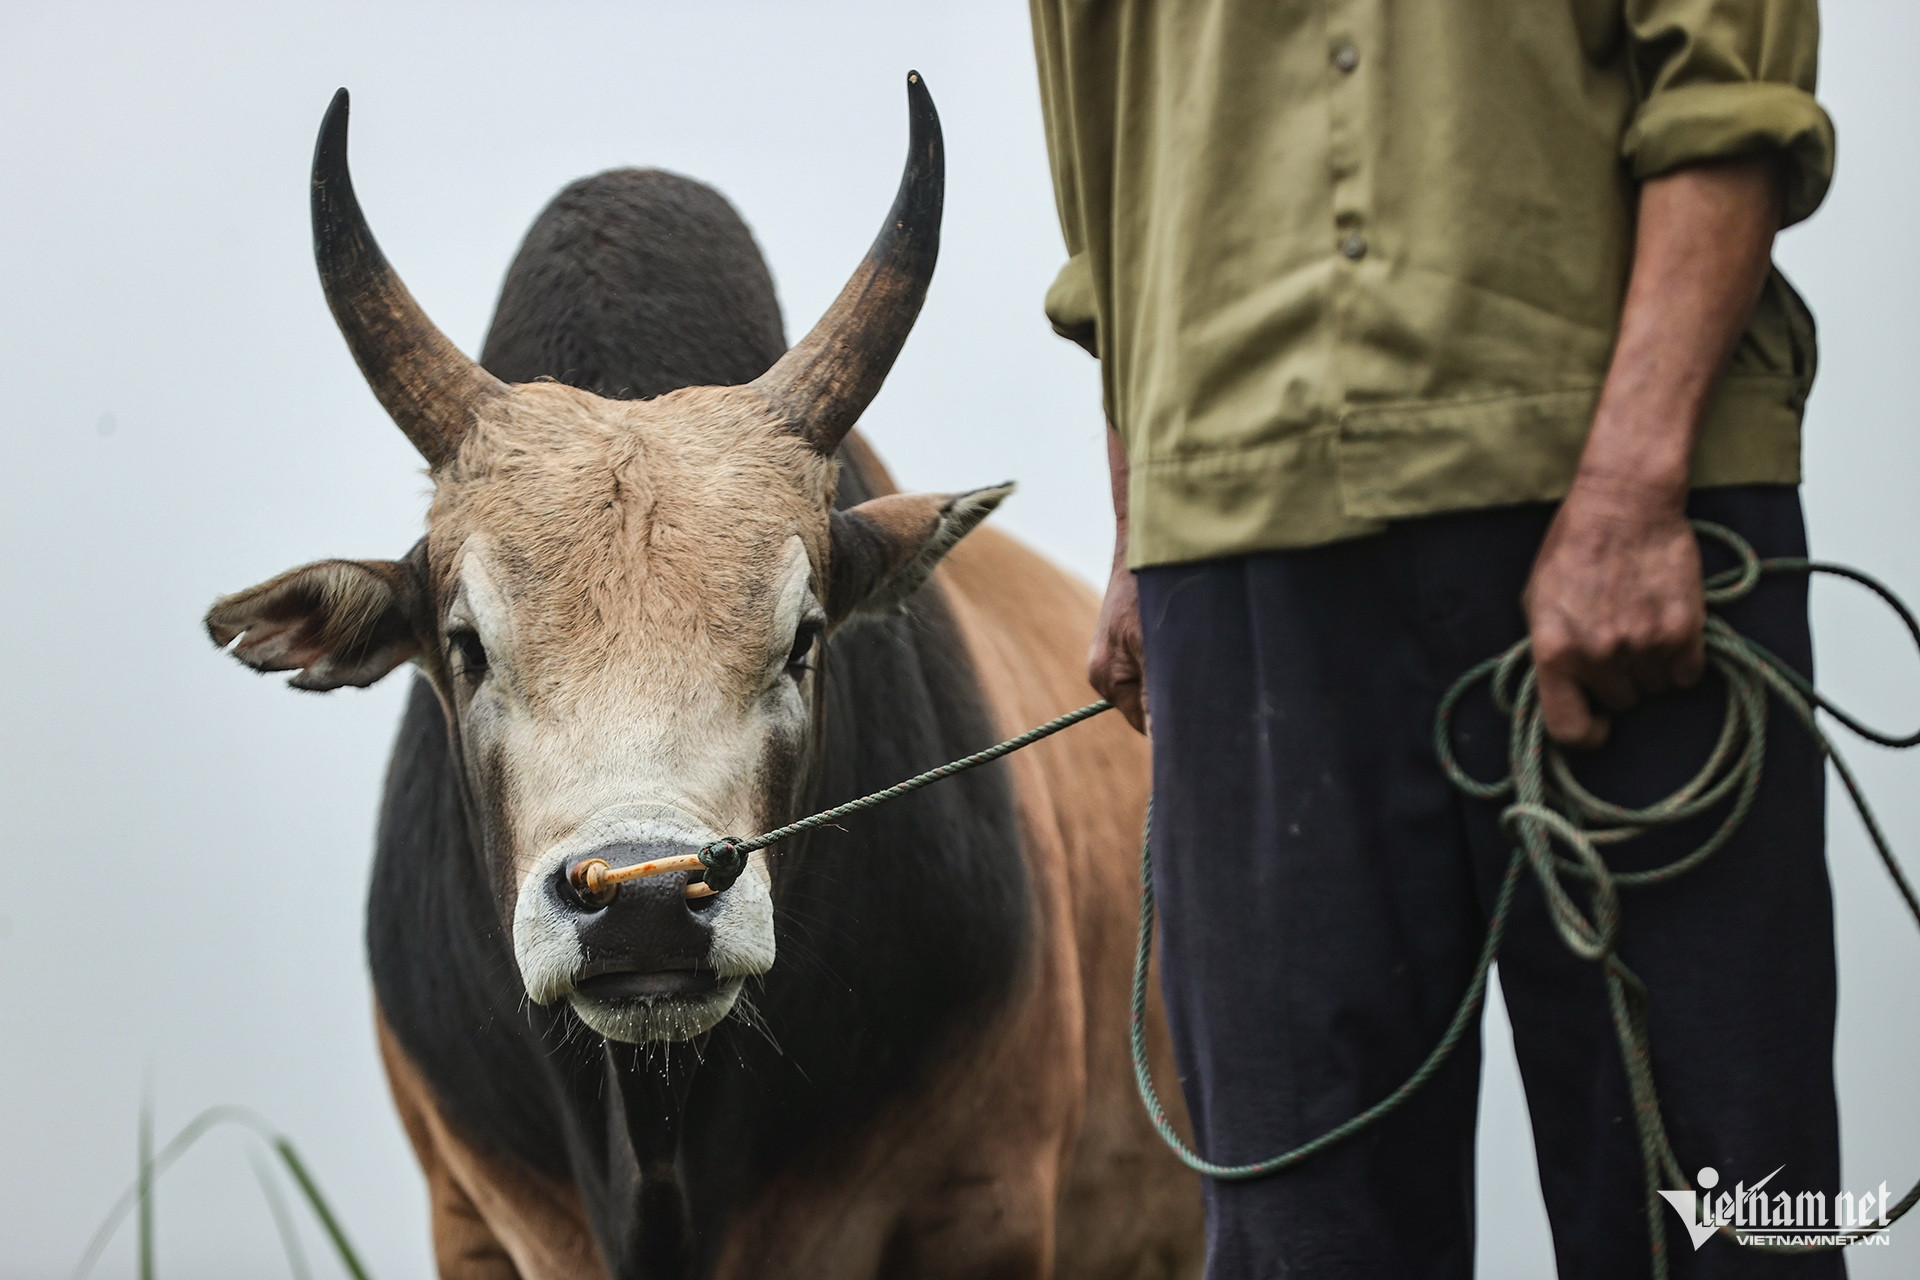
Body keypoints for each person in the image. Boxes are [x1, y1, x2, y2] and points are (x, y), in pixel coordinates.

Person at [1027, 2, 1838, 1277]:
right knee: (1303, 1235)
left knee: (1724, 1213)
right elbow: (1105, 149)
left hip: (1622, 512)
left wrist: (1633, 485)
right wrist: (1140, 523)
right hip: (1237, 547)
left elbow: (1730, 78)